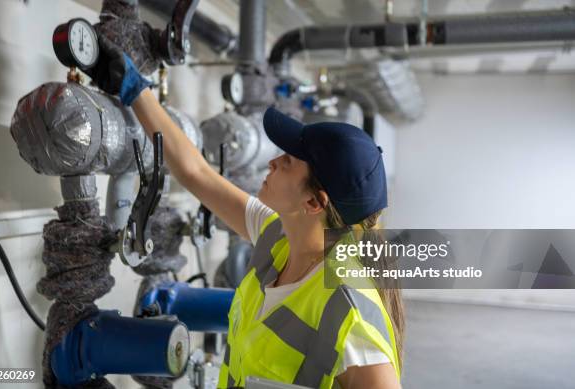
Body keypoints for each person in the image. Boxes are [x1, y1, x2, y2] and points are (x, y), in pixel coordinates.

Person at [88, 36, 403, 389]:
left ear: (314, 203)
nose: (271, 162)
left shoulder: (350, 314)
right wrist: (134, 90)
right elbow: (196, 173)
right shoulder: (278, 238)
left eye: (286, 162)